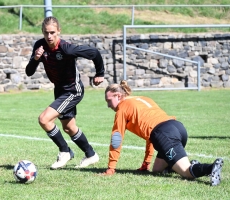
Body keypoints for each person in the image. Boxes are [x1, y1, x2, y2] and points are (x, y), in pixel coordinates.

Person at [101, 80, 224, 186]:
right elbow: (150, 135)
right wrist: (146, 163)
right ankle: (188, 164)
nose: (108, 105)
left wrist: (111, 169)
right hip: (177, 128)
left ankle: (210, 167)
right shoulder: (142, 98)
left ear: (118, 96)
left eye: (109, 100)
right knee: (157, 170)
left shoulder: (122, 108)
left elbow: (116, 139)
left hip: (165, 135)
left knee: (187, 173)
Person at [25, 16, 104, 169]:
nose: (49, 36)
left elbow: (94, 52)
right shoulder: (40, 46)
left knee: (44, 119)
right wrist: (35, 59)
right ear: (42, 32)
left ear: (59, 31)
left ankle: (65, 151)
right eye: (46, 33)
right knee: (69, 127)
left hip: (73, 90)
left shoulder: (67, 48)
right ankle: (91, 154)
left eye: (52, 32)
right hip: (60, 90)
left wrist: (99, 73)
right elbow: (29, 72)